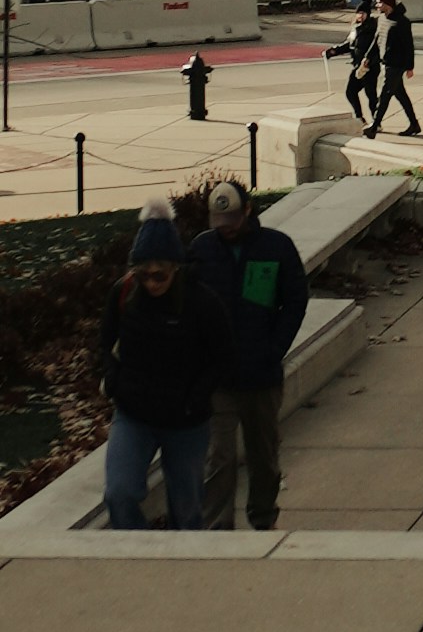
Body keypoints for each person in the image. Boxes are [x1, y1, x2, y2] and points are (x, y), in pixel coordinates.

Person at [101, 197, 233, 531]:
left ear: (175, 266)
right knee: (119, 493)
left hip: (185, 422)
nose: (152, 282)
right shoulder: (123, 294)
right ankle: (137, 552)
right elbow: (104, 344)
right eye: (144, 274)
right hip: (134, 415)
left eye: (160, 274)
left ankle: (183, 566)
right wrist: (114, 382)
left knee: (187, 509)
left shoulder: (202, 303)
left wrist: (197, 397)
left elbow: (223, 355)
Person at [187, 178, 309, 529]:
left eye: (233, 221)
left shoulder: (276, 246)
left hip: (262, 375)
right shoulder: (202, 249)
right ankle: (218, 528)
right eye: (219, 223)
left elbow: (295, 300)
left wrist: (275, 348)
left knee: (264, 456)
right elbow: (190, 304)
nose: (226, 230)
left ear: (248, 211)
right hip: (219, 378)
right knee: (219, 458)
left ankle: (263, 517)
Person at [368, 0, 420, 138]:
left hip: (396, 65)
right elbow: (377, 39)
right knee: (401, 95)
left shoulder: (402, 22)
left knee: (385, 95)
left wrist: (410, 67)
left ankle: (374, 126)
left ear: (388, 4)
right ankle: (414, 124)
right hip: (386, 62)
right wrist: (368, 57)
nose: (377, 6)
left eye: (380, 3)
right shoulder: (382, 19)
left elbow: (409, 46)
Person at [341, 0, 381, 125]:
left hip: (369, 67)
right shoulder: (356, 28)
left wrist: (369, 61)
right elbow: (350, 44)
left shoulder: (372, 28)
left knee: (371, 95)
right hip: (358, 66)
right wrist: (334, 51)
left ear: (367, 14)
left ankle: (376, 122)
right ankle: (359, 117)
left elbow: (376, 48)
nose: (359, 16)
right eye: (358, 13)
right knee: (350, 91)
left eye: (362, 13)